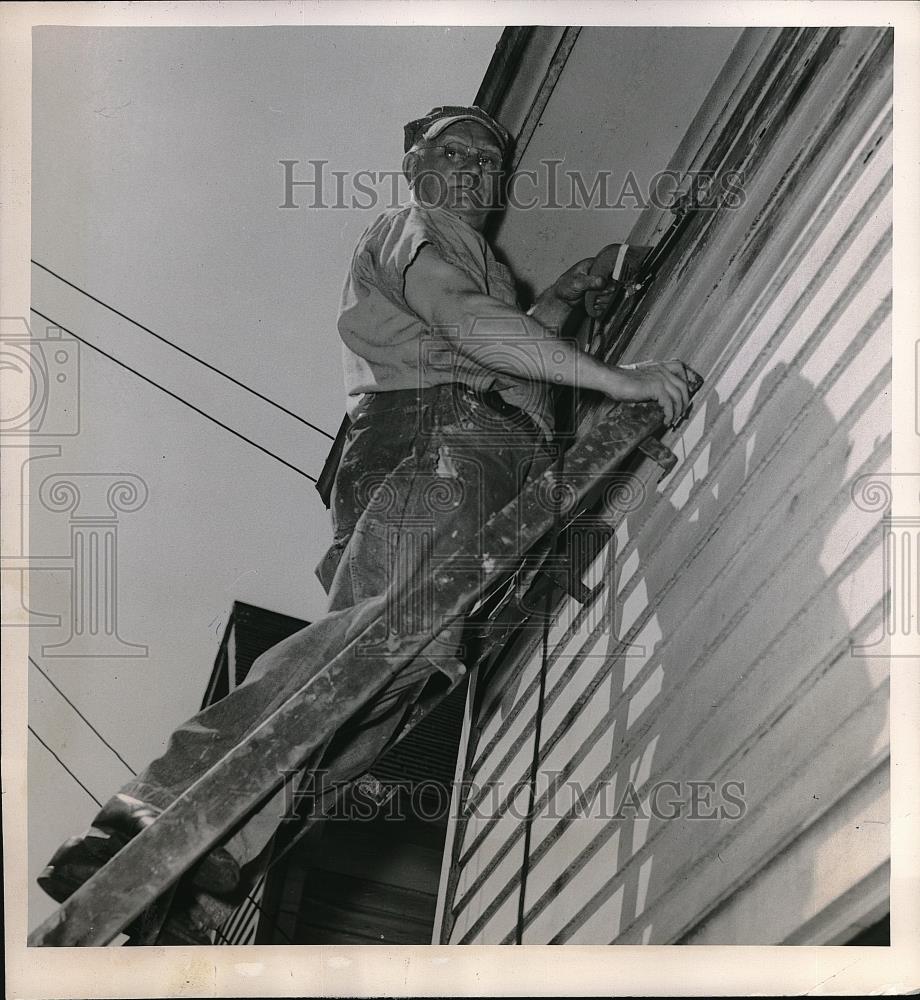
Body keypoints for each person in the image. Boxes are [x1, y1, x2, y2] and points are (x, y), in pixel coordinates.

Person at [36, 105, 690, 943]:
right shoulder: (419, 228)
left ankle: (204, 872)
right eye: (452, 152)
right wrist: (617, 381)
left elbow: (499, 355)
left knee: (383, 693)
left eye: (488, 162)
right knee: (367, 642)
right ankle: (151, 815)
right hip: (439, 443)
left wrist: (559, 302)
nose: (472, 170)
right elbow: (467, 328)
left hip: (474, 448)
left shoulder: (483, 263)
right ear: (416, 167)